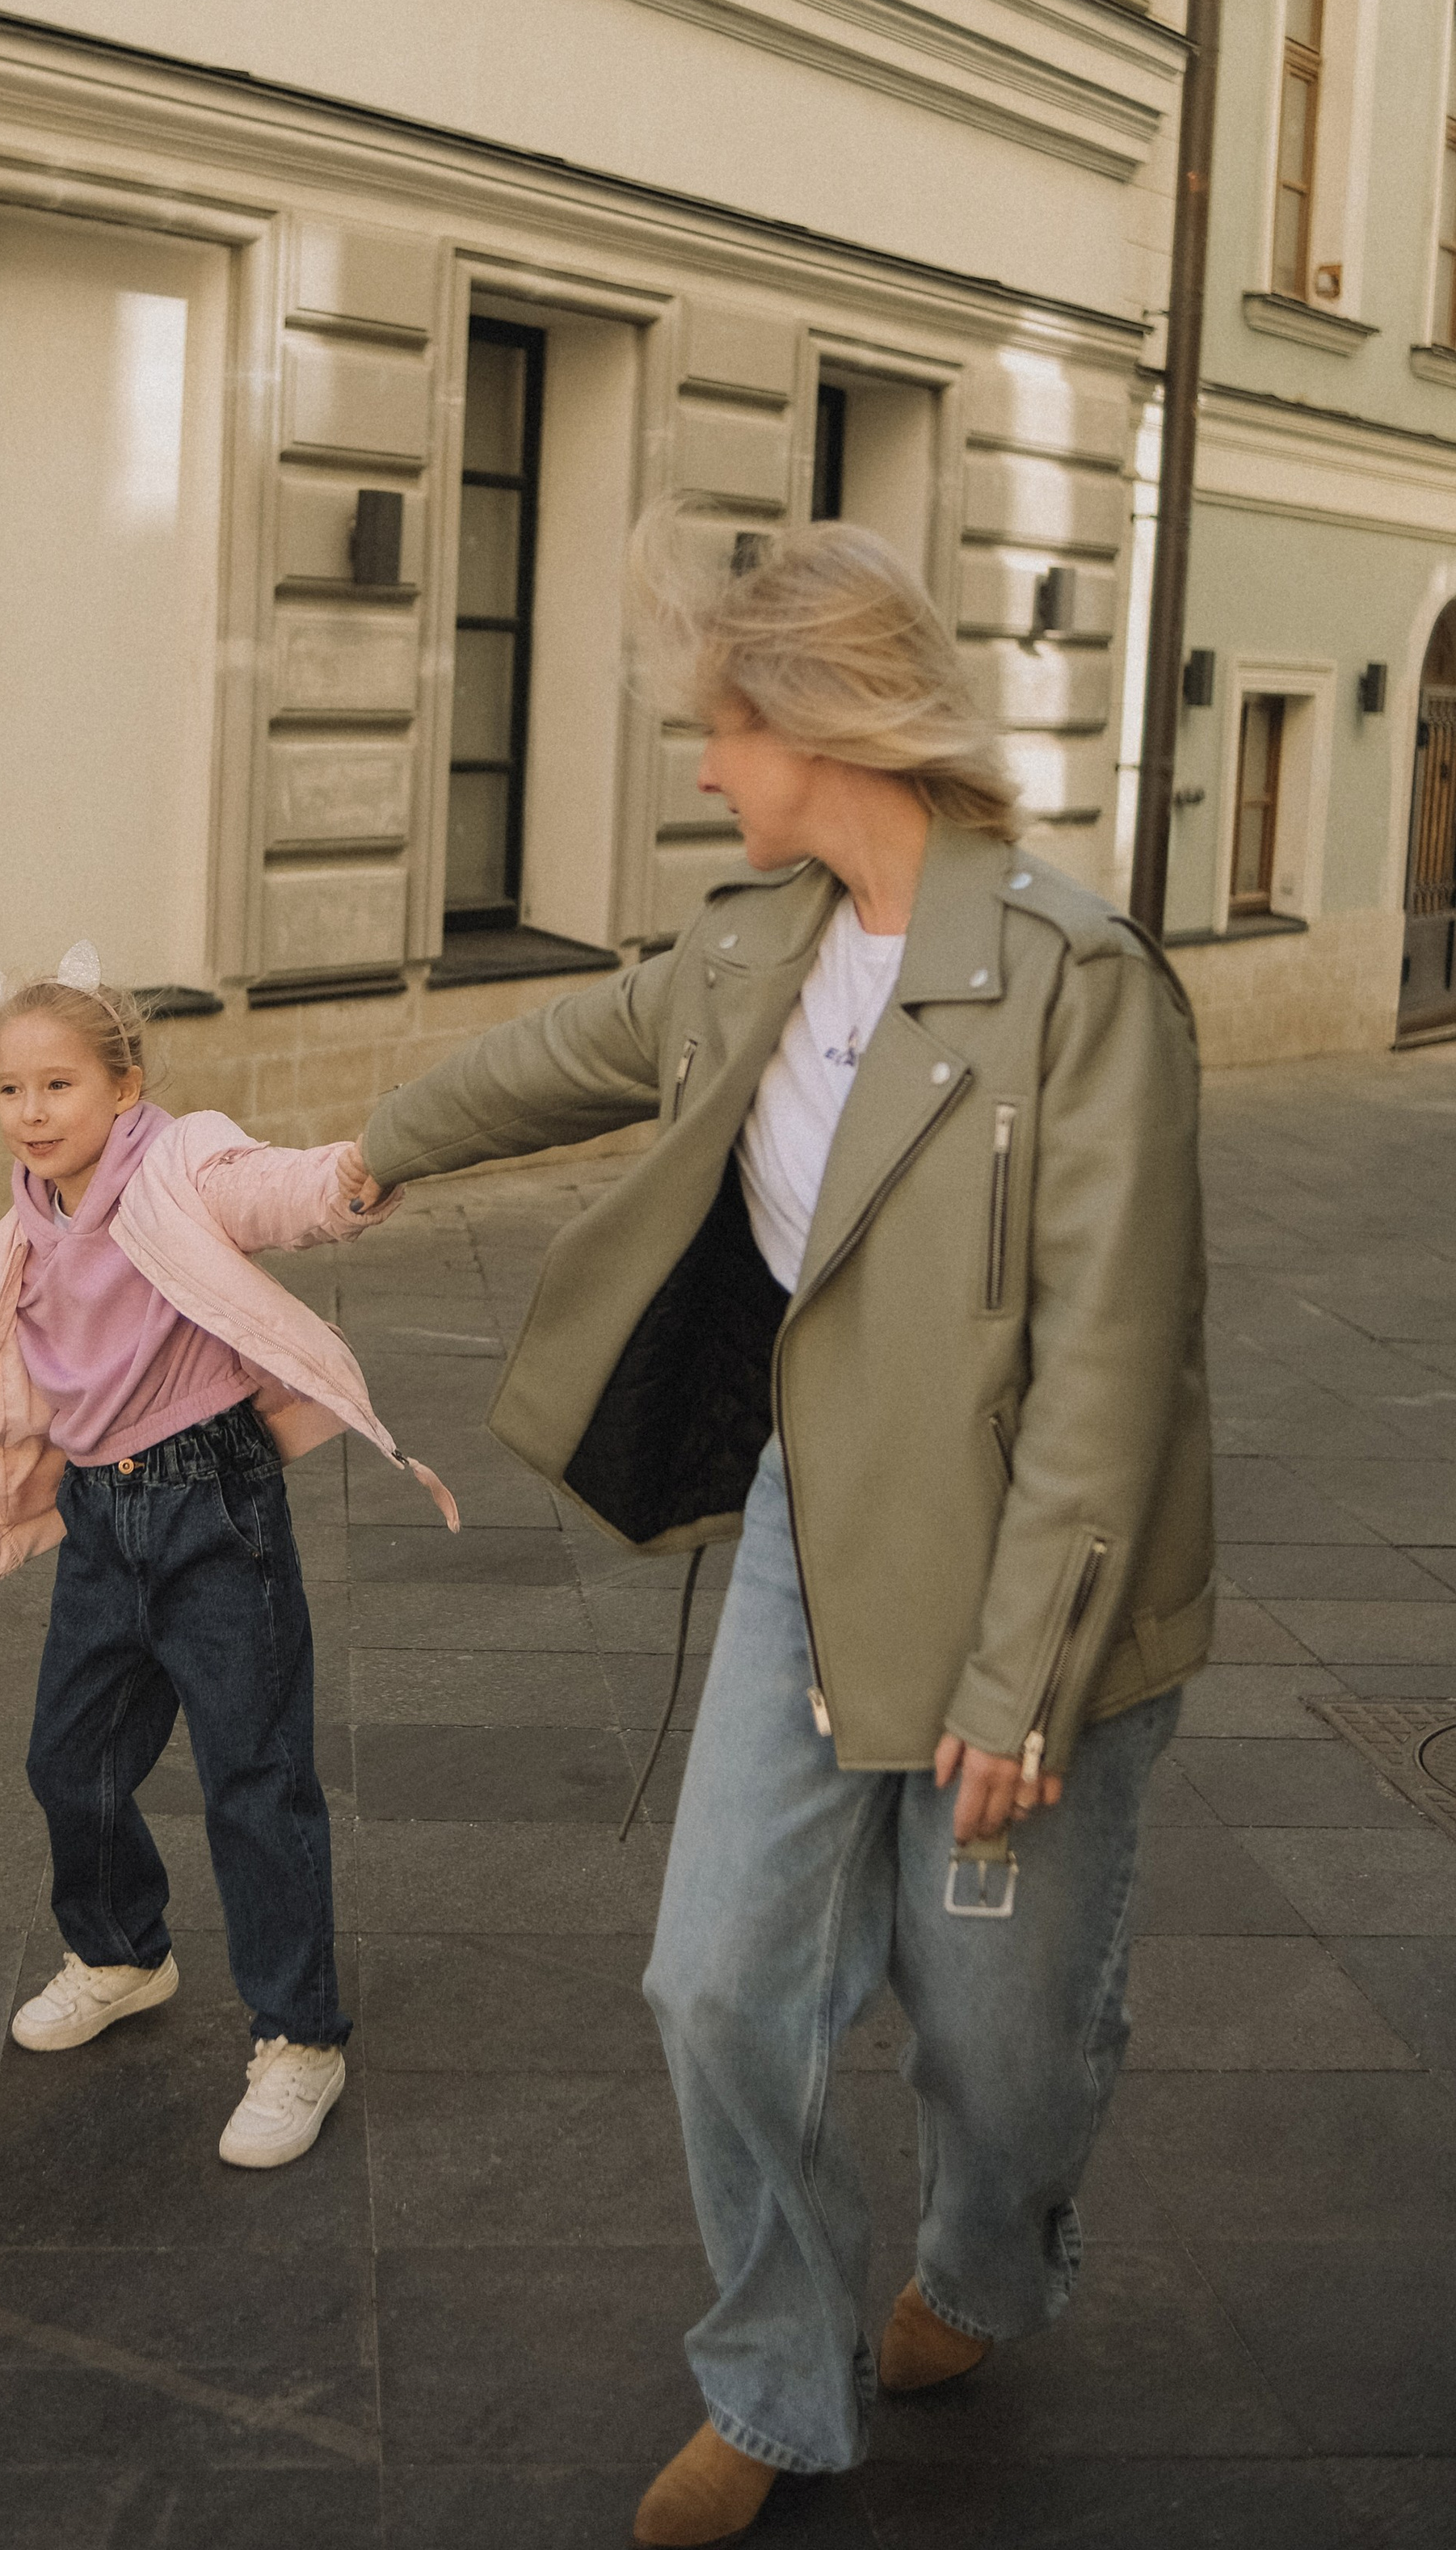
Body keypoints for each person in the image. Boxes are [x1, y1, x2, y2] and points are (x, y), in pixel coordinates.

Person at [348, 516, 1214, 2544]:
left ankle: (982, 2275)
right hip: (815, 1554)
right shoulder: (753, 942)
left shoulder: (1078, 986)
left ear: (821, 724)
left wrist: (1021, 1681)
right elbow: (555, 1054)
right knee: (715, 1985)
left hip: (1032, 1609)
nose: (703, 772)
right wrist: (333, 1167)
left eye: (718, 732)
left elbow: (1113, 1373)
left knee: (1001, 2057)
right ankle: (774, 2370)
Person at [0, 942, 454, 2170]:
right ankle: (122, 1951)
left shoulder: (177, 1165)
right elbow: (2, 1396)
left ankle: (300, 2042)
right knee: (67, 1762)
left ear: (124, 1085)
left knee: (255, 1778)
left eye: (59, 1086)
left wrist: (356, 1172)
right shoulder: (10, 1247)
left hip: (213, 1513)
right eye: (11, 1090)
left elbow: (272, 1190)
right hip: (99, 1523)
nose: (31, 1112)